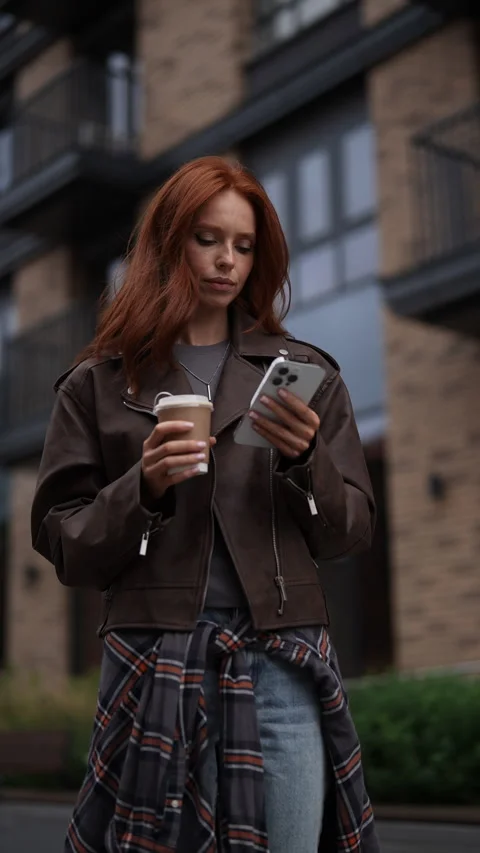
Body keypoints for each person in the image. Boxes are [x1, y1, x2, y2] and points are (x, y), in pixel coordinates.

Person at [31, 156, 380, 853]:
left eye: (244, 245)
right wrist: (144, 486)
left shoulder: (306, 375)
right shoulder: (97, 385)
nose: (226, 260)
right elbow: (65, 543)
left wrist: (305, 462)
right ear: (169, 243)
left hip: (282, 659)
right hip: (153, 655)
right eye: (207, 238)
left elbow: (350, 531)